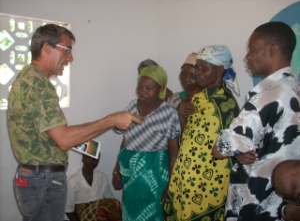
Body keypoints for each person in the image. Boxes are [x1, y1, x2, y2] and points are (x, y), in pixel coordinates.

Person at [7, 24, 142, 221]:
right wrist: (110, 120)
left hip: (33, 177)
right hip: (43, 181)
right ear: (47, 48)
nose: (71, 58)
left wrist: (86, 131)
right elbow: (63, 139)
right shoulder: (38, 84)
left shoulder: (27, 78)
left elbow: (52, 136)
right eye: (67, 50)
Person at [213, 21, 300, 220]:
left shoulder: (266, 98)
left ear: (272, 50)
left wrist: (236, 149)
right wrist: (240, 150)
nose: (247, 56)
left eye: (252, 49)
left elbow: (219, 150)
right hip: (284, 204)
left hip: (256, 203)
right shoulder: (294, 88)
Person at [164, 45, 240, 221]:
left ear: (220, 70)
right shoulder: (199, 100)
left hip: (207, 187)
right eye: (197, 67)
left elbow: (231, 151)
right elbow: (187, 140)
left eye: (203, 68)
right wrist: (181, 116)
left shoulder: (226, 104)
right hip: (185, 181)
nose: (198, 72)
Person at [112, 65, 181, 220]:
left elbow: (174, 152)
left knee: (151, 216)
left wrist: (170, 186)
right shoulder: (132, 106)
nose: (143, 91)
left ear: (161, 89)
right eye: (140, 86)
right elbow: (126, 141)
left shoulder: (169, 113)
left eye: (149, 88)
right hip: (131, 172)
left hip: (154, 175)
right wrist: (117, 171)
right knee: (130, 214)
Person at [66, 154, 121, 221]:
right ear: (83, 159)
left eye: (95, 159)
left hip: (100, 212)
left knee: (116, 203)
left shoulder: (102, 177)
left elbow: (110, 198)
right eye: (89, 157)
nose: (92, 161)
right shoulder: (73, 181)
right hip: (84, 214)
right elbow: (68, 208)